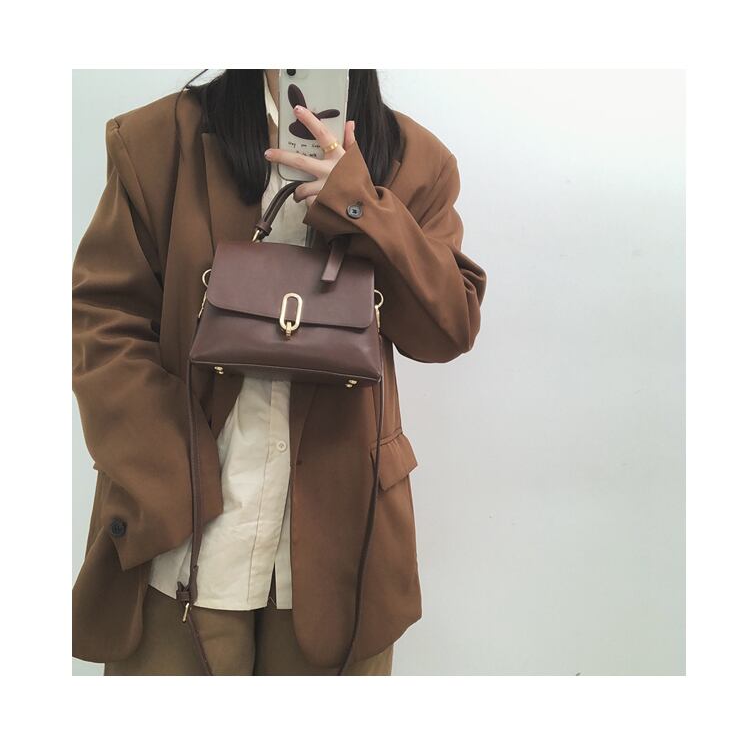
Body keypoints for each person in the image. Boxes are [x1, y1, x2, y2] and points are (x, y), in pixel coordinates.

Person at [72, 69, 487, 675]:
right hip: (182, 535)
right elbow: (104, 319)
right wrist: (167, 471)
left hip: (345, 546)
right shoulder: (159, 140)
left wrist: (362, 207)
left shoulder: (416, 161)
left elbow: (446, 330)